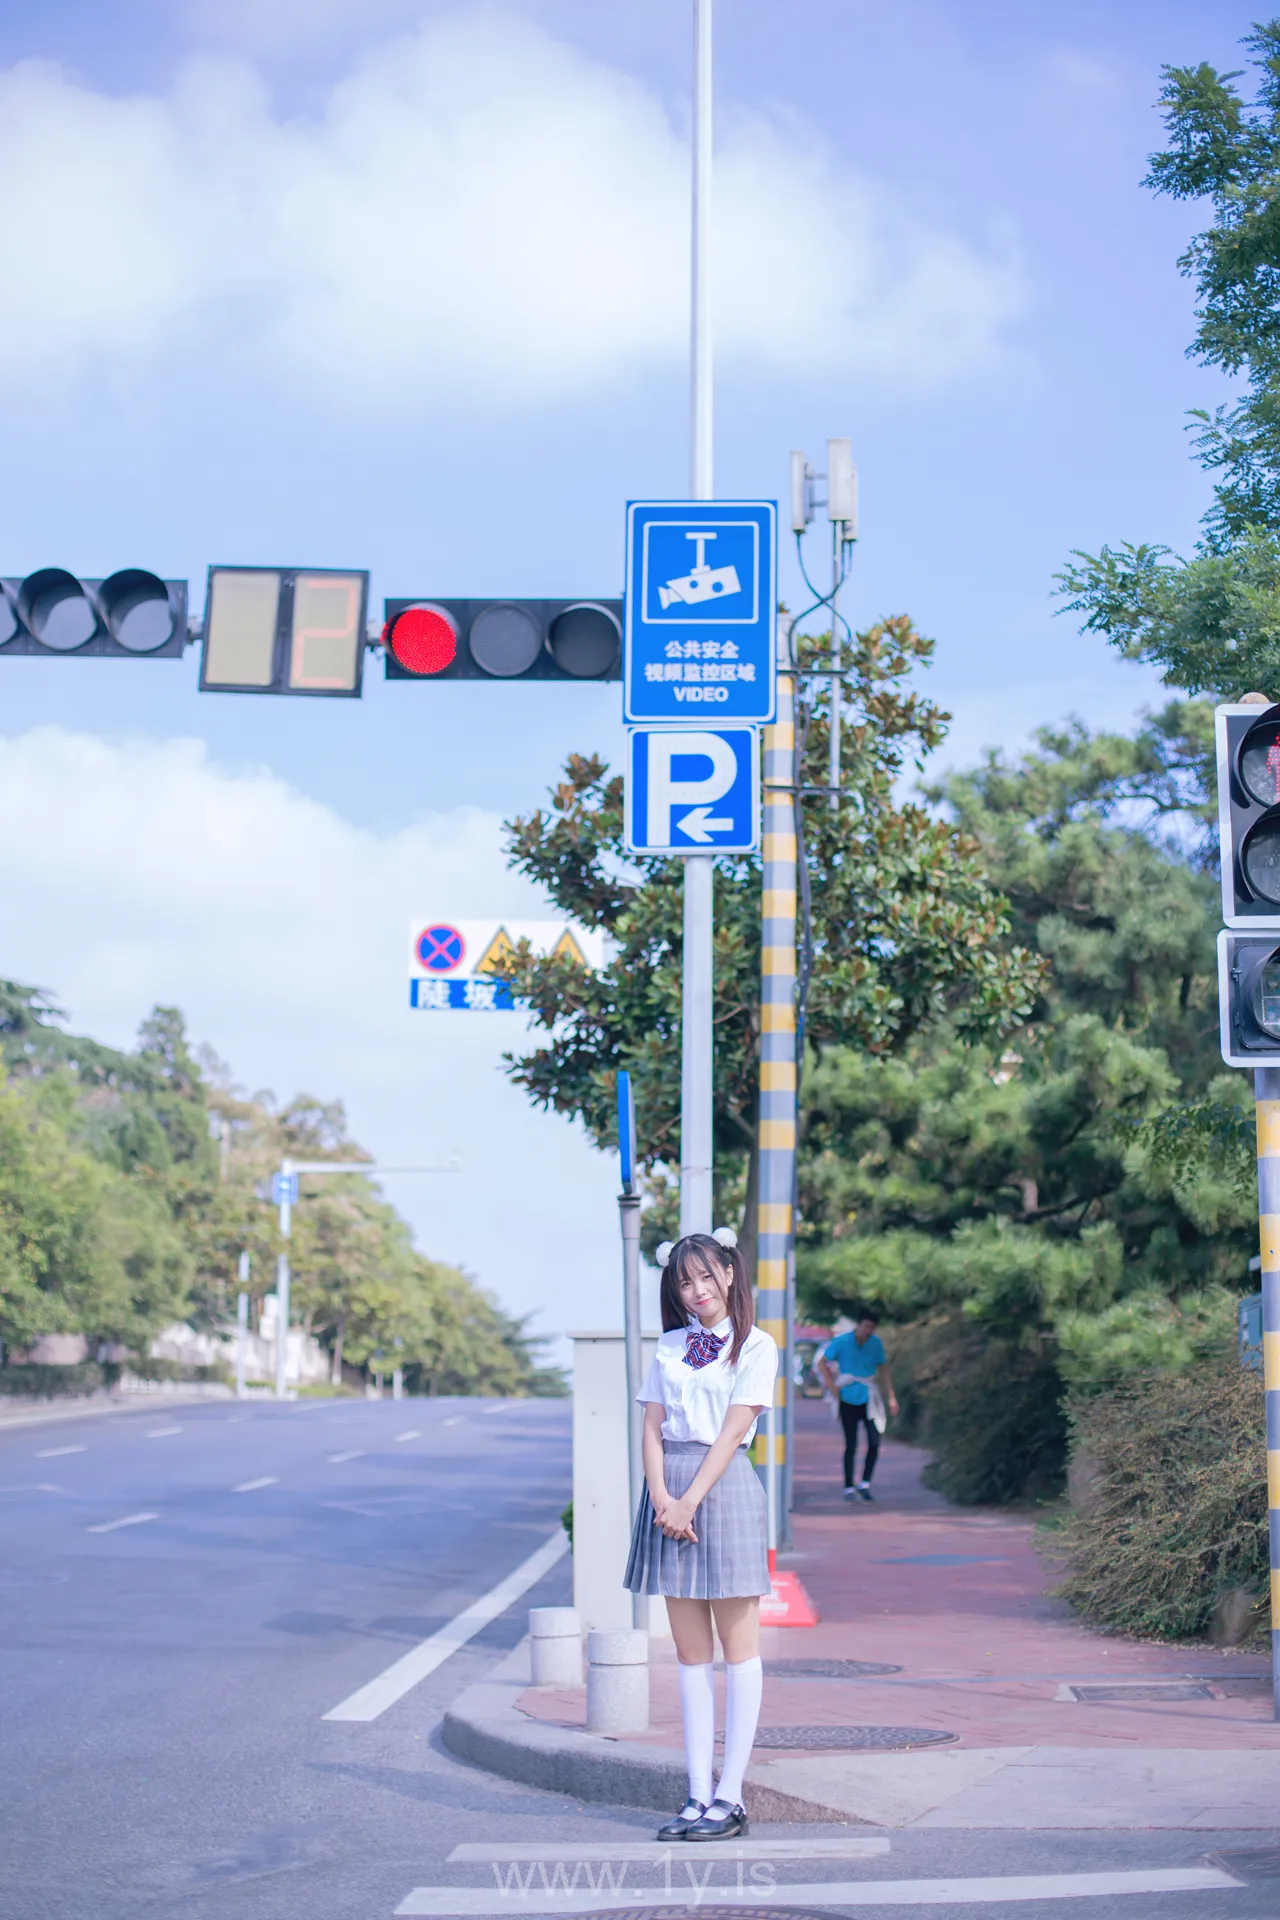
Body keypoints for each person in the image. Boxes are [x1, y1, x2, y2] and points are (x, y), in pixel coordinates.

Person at [624, 1228, 778, 1843]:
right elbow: (652, 1428)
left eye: (706, 1277)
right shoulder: (668, 1346)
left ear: (729, 1275)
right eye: (685, 1282)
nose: (697, 1290)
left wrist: (688, 1500)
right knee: (690, 1657)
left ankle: (731, 1796)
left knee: (740, 1651)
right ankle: (695, 1794)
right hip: (670, 1499)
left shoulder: (756, 1346)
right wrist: (662, 1498)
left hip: (723, 1488)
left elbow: (733, 1430)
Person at [818, 1311, 898, 1501]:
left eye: (871, 1328)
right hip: (847, 1397)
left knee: (874, 1442)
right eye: (865, 1327)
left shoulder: (875, 1344)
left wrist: (892, 1397)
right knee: (851, 1444)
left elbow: (884, 1369)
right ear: (858, 1325)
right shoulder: (842, 1341)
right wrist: (832, 1387)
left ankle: (865, 1483)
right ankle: (848, 1487)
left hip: (869, 1397)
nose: (868, 1331)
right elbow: (822, 1363)